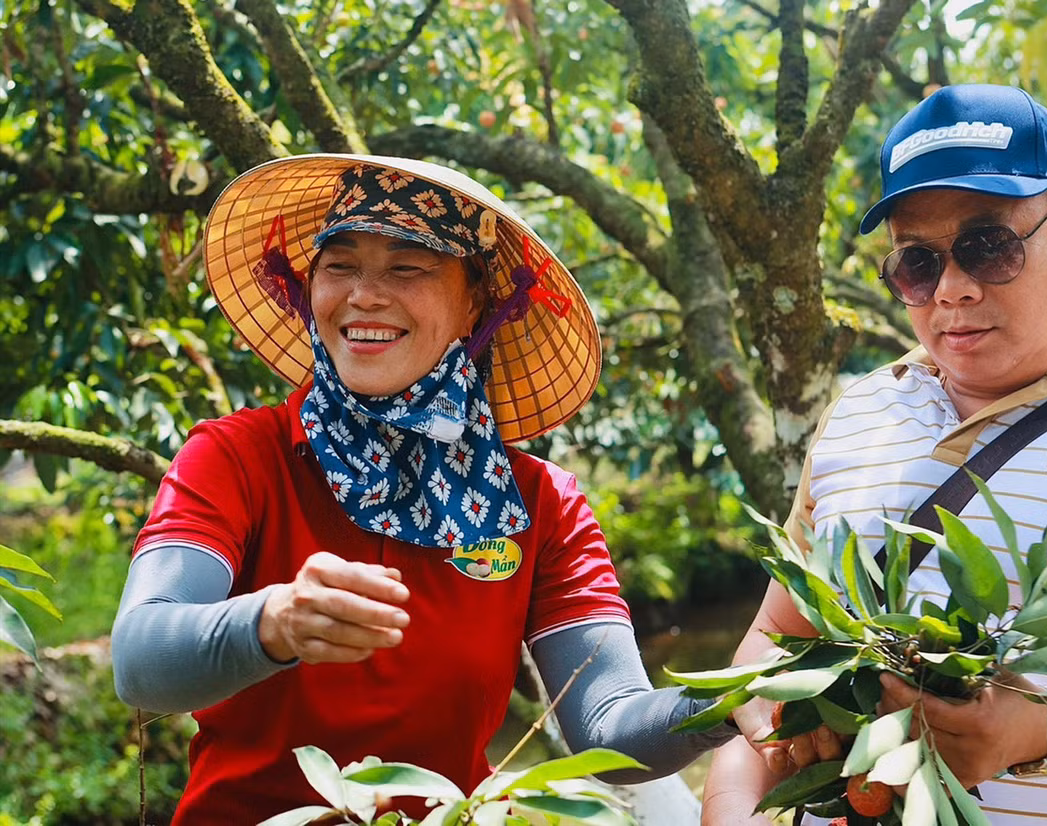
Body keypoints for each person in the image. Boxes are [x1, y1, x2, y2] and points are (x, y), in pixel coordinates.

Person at [110, 155, 733, 823]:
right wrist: (271, 623)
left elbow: (606, 723)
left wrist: (735, 702)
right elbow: (142, 655)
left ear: (474, 304)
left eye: (409, 266)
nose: (365, 295)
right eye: (340, 263)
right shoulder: (237, 458)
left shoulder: (538, 504)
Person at [700, 84, 1047, 825]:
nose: (953, 291)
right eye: (917, 263)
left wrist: (1038, 731)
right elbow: (773, 653)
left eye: (989, 246)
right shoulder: (863, 407)